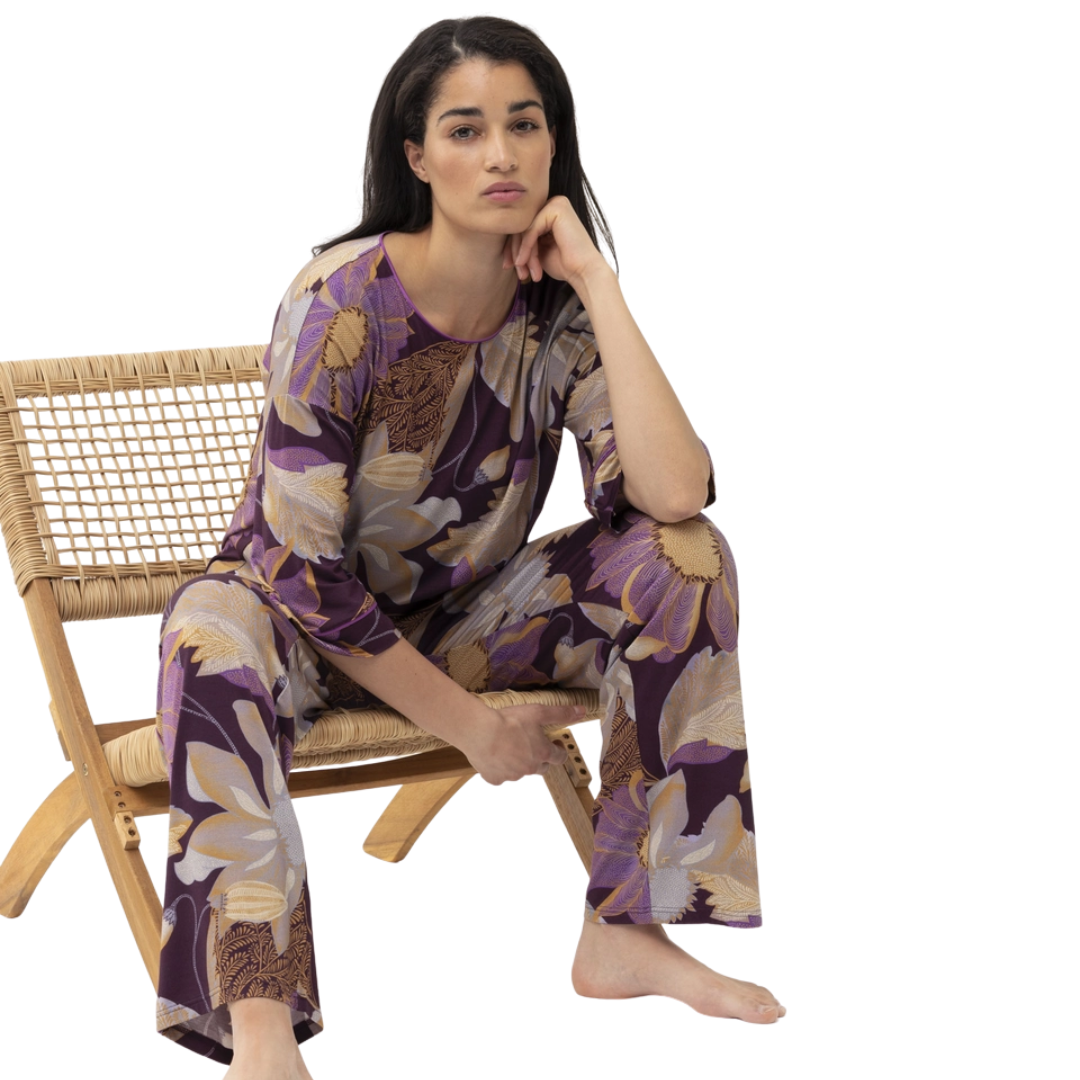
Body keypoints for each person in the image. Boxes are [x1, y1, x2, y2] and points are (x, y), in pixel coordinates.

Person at [153, 14, 784, 1077]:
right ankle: (259, 1025)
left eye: (524, 126)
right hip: (291, 628)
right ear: (416, 155)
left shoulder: (558, 313)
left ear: (554, 144)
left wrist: (600, 284)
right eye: (465, 130)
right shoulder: (340, 303)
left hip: (456, 622)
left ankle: (625, 932)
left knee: (686, 557)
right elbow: (300, 571)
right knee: (207, 631)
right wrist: (472, 730)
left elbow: (671, 492)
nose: (501, 155)